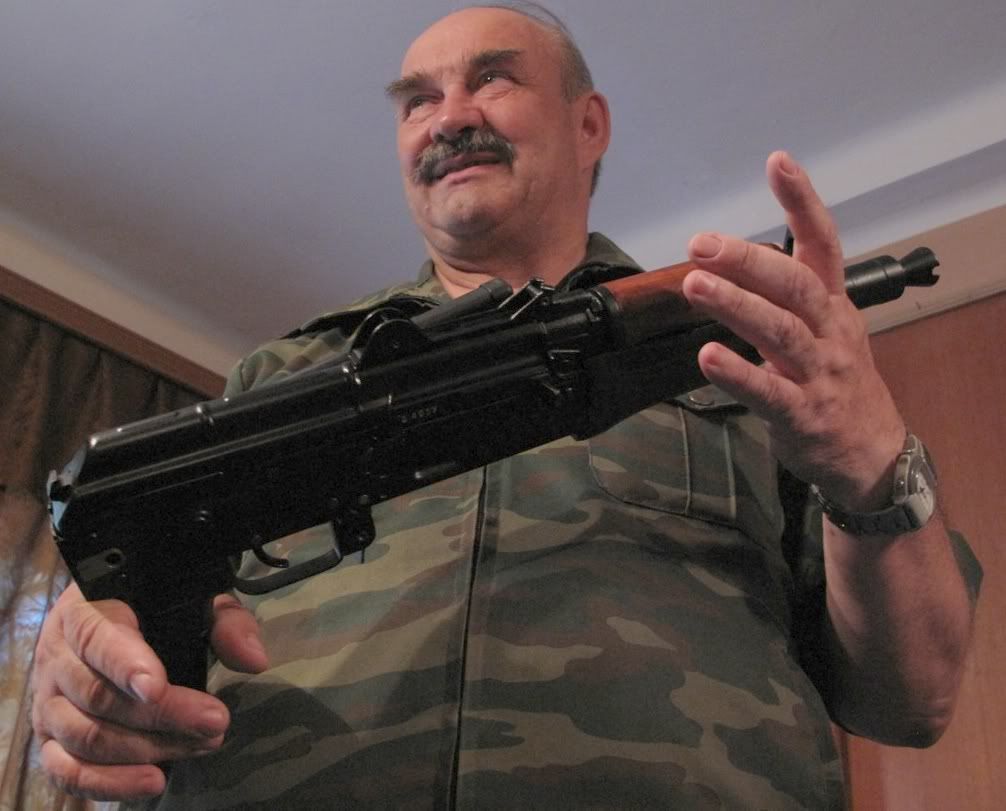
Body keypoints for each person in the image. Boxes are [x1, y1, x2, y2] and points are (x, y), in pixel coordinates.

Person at [31, 4, 981, 809]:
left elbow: (916, 697)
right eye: (417, 99)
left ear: (588, 123)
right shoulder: (280, 373)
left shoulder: (741, 345)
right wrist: (88, 649)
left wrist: (868, 458)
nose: (449, 118)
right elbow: (133, 617)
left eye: (492, 79)